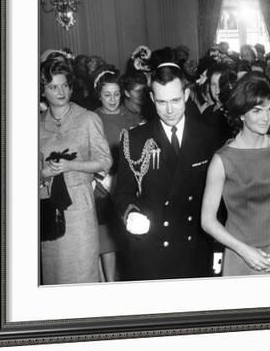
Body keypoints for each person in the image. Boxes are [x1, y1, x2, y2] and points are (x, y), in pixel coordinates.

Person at [113, 63, 216, 281]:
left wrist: (219, 249)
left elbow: (220, 201)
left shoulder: (208, 136)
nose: (169, 110)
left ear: (186, 94)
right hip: (152, 252)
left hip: (195, 249)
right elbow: (122, 193)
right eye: (161, 102)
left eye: (176, 100)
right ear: (152, 99)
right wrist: (131, 214)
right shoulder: (135, 139)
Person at [201, 73, 270, 275]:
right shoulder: (222, 160)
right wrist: (243, 250)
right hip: (240, 257)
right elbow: (207, 220)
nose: (266, 117)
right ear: (241, 114)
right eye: (257, 110)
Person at [39, 59, 112, 285]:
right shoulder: (36, 125)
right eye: (53, 87)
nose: (60, 91)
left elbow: (105, 161)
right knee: (54, 274)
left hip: (80, 206)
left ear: (71, 86)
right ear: (42, 91)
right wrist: (44, 173)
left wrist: (72, 166)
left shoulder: (89, 119)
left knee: (83, 272)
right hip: (48, 205)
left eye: (64, 85)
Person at [92, 67, 140, 281]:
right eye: (107, 95)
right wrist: (101, 178)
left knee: (129, 234)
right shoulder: (92, 118)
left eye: (116, 94)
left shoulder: (132, 117)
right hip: (102, 186)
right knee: (107, 239)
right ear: (99, 95)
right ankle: (110, 283)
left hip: (129, 184)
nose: (112, 99)